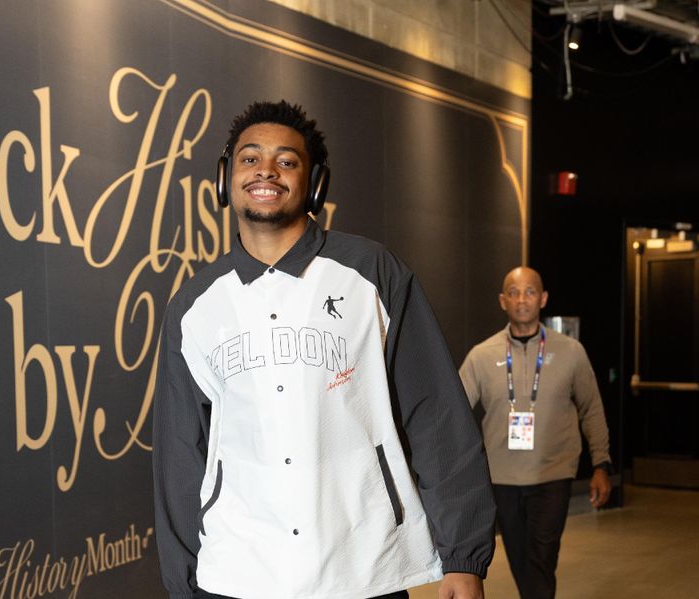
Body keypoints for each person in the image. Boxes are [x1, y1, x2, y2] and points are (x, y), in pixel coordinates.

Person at [153, 99, 495, 599]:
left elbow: (436, 414)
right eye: (250, 158)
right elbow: (180, 453)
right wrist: (184, 583)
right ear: (226, 176)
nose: (266, 170)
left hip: (364, 566)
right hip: (239, 570)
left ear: (315, 184)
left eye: (287, 161)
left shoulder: (372, 273)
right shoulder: (195, 303)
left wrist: (463, 553)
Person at [459, 266, 612, 599]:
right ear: (502, 301)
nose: (521, 299)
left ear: (543, 298)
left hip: (553, 472)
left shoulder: (571, 352)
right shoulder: (481, 356)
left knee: (542, 556)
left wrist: (601, 464)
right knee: (520, 559)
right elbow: (454, 412)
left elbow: (592, 408)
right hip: (502, 478)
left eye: (529, 291)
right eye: (513, 292)